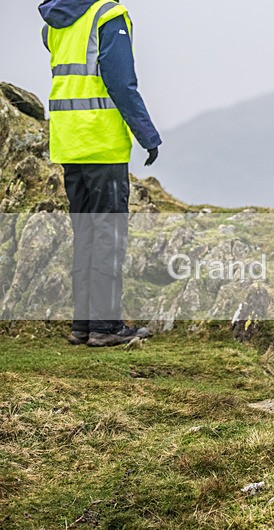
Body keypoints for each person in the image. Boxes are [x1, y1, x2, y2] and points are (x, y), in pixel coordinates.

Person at [39, 0, 161, 347]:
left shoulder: (55, 20)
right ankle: (106, 328)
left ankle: (84, 326)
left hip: (68, 141)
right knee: (109, 235)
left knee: (86, 234)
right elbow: (122, 82)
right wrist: (147, 135)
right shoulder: (109, 16)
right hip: (101, 142)